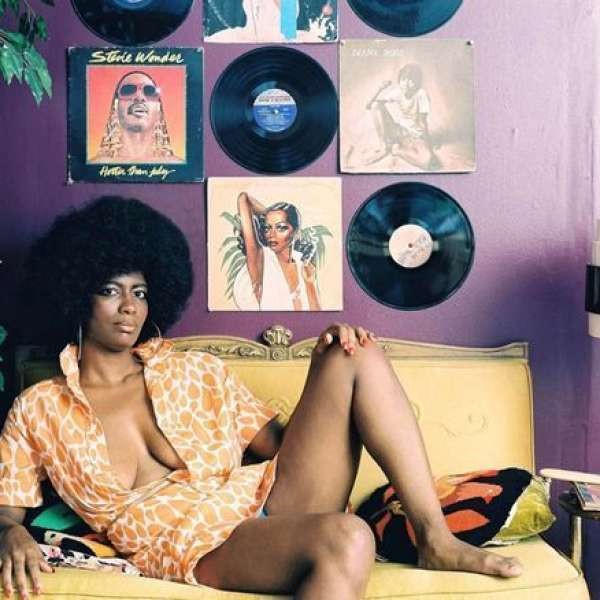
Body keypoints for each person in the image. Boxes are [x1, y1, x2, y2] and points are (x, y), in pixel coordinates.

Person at [0, 196, 522, 600]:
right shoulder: (39, 408)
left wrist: (326, 369)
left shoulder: (196, 370)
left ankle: (435, 539)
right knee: (349, 537)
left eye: (139, 292)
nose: (129, 307)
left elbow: (283, 449)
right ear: (76, 294)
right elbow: (7, 510)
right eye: (110, 290)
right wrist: (11, 535)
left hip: (266, 500)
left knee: (353, 351)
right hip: (192, 544)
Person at [233, 192, 321, 311]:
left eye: (281, 227)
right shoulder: (261, 259)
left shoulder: (303, 265)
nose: (271, 234)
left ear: (296, 233)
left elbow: (317, 314)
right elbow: (243, 199)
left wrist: (310, 283)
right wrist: (268, 213)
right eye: (267, 228)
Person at [90, 71, 183, 164]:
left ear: (158, 108)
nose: (139, 97)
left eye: (149, 91)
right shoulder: (97, 165)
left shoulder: (175, 165)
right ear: (116, 105)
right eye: (128, 90)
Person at [365, 63, 441, 171]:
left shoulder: (421, 94)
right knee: (375, 105)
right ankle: (384, 147)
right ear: (399, 80)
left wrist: (429, 146)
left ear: (418, 83)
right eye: (404, 79)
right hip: (398, 131)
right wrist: (380, 89)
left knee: (427, 162)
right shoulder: (398, 92)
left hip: (415, 136)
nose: (406, 84)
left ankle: (396, 150)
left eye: (411, 80)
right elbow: (369, 106)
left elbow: (423, 122)